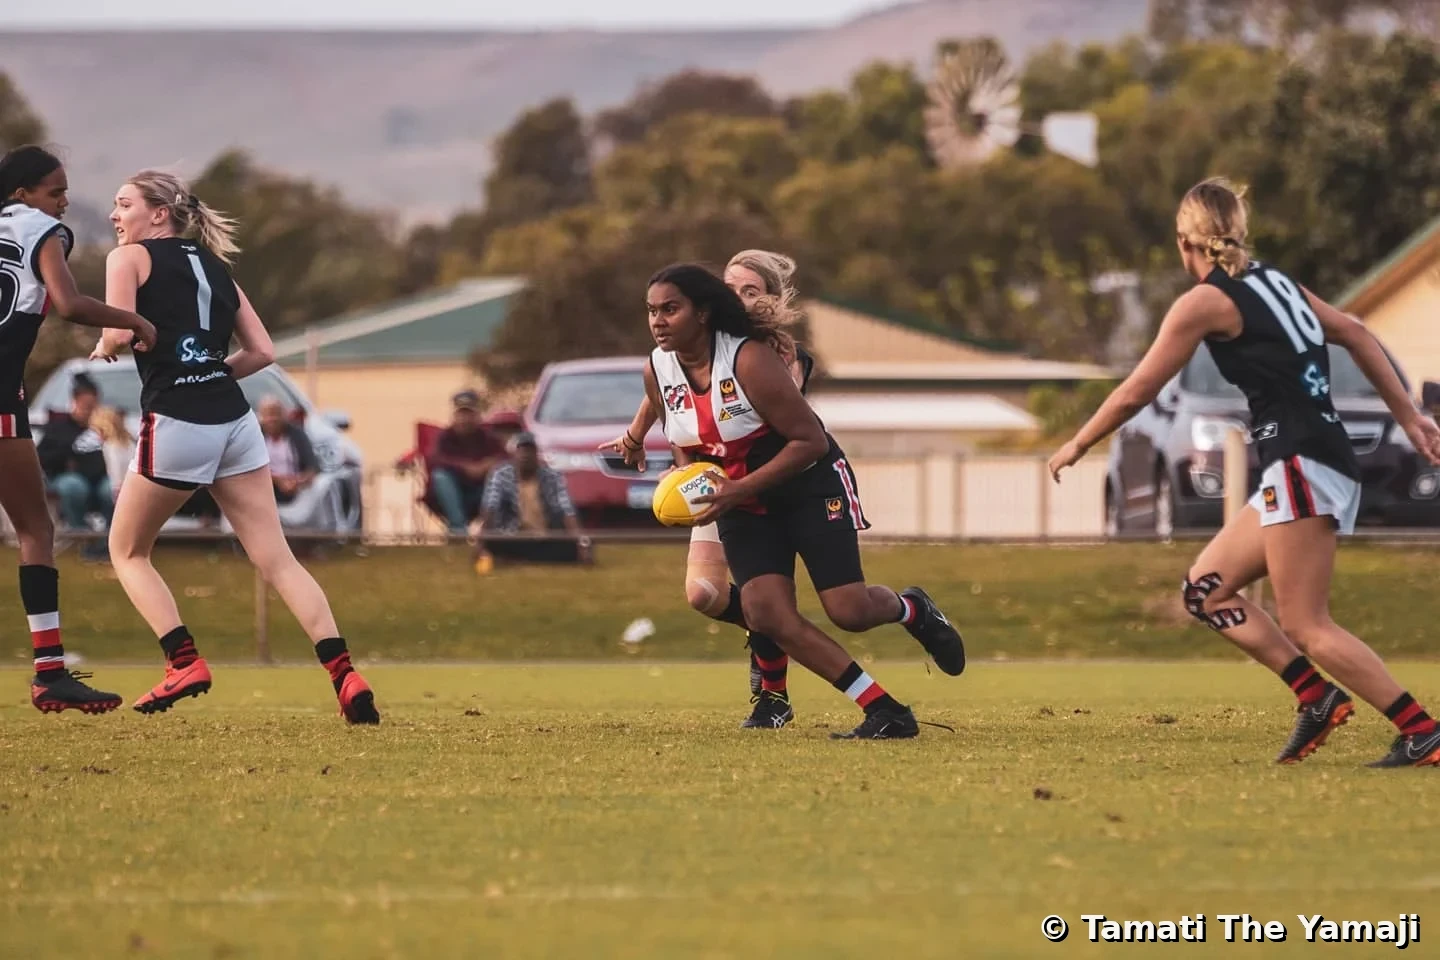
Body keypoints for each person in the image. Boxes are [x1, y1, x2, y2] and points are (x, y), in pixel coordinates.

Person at [1049, 177, 1440, 768]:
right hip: (1312, 457)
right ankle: (1316, 697)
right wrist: (1408, 417)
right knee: (1205, 589)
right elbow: (1356, 332)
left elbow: (1137, 392)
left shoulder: (1205, 301)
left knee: (1307, 623)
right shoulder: (1275, 280)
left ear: (1186, 242)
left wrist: (1077, 443)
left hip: (1302, 461)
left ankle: (1421, 730)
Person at [93, 168, 379, 724]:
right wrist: (208, 373)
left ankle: (183, 662)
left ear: (158, 213)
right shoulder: (218, 268)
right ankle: (346, 675)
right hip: (234, 419)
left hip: (176, 421)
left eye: (123, 204)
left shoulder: (125, 260)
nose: (113, 215)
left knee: (126, 552)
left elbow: (122, 331)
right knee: (277, 558)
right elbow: (263, 351)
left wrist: (102, 343)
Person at [643, 263, 966, 740]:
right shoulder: (657, 369)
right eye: (651, 311)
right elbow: (684, 435)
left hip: (809, 487)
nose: (658, 321)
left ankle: (912, 609)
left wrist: (740, 487)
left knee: (849, 611)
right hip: (745, 504)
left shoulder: (749, 359)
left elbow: (809, 441)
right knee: (766, 613)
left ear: (704, 313)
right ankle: (885, 710)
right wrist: (687, 480)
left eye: (671, 309)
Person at [604, 249, 816, 729]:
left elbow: (777, 425)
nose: (738, 298)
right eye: (731, 288)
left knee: (792, 601)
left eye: (751, 291)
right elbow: (662, 388)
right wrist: (641, 440)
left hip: (770, 487)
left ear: (771, 302)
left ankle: (773, 696)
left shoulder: (774, 354)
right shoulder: (689, 352)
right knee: (703, 594)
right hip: (716, 484)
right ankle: (778, 630)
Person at [0, 145, 156, 713]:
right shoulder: (40, 229)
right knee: (36, 530)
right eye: (55, 191)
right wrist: (133, 319)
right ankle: (48, 674)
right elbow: (67, 303)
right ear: (23, 194)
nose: (64, 202)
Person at [476, 431, 591, 565]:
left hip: (546, 536)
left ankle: (517, 560)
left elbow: (567, 511)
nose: (526, 455)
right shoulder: (500, 474)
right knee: (493, 542)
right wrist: (481, 541)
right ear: (514, 454)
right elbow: (490, 508)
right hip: (513, 536)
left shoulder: (553, 477)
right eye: (522, 451)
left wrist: (582, 543)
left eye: (530, 451)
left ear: (536, 455)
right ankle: (529, 559)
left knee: (579, 544)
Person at [36, 373, 115, 554]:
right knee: (74, 487)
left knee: (111, 489)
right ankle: (83, 539)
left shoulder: (104, 426)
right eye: (85, 404)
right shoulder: (59, 426)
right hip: (67, 477)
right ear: (75, 402)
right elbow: (42, 456)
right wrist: (68, 451)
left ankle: (110, 541)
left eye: (92, 404)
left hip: (101, 477)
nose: (88, 409)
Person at [429, 389, 505, 535]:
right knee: (440, 476)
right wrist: (465, 468)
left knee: (500, 475)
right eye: (461, 414)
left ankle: (491, 529)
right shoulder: (445, 437)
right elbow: (435, 459)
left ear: (477, 415)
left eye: (469, 414)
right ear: (455, 416)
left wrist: (487, 465)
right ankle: (459, 530)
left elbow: (505, 457)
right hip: (453, 493)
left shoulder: (488, 436)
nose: (465, 419)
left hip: (481, 491)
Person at [257, 395, 318, 505]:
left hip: (297, 491)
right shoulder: (255, 436)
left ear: (284, 415)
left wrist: (297, 482)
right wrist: (277, 480)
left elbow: (312, 468)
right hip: (265, 491)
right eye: (267, 415)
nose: (272, 419)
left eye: (276, 414)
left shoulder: (297, 435)